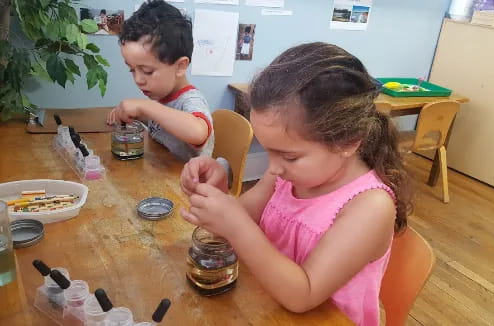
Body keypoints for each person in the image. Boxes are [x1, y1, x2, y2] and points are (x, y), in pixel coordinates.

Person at [180, 42, 412, 325]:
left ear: (348, 142)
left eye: (289, 156)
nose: (273, 167)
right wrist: (218, 194)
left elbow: (304, 294)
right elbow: (239, 219)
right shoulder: (285, 175)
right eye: (268, 150)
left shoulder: (370, 206)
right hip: (265, 306)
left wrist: (235, 224)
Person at [107, 0, 214, 162]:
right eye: (132, 69)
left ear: (180, 66)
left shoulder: (191, 100)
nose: (138, 80)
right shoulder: (161, 95)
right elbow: (162, 123)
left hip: (184, 185)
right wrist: (137, 115)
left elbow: (198, 131)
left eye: (147, 71)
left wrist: (147, 107)